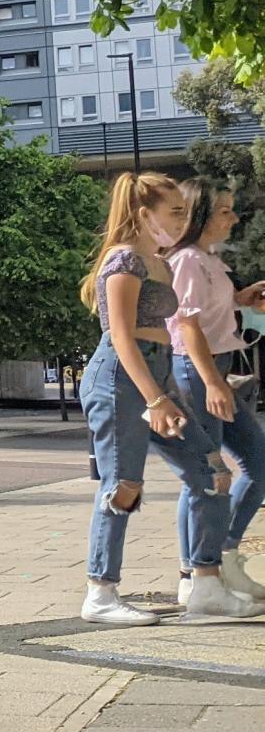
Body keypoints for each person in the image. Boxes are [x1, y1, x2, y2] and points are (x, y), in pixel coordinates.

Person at [75, 172, 258, 624]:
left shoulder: (158, 260)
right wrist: (156, 400)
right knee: (123, 486)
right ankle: (101, 594)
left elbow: (170, 334)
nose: (182, 220)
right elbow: (120, 337)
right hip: (120, 379)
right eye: (174, 212)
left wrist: (167, 394)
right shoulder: (123, 261)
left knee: (211, 469)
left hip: (155, 378)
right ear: (143, 214)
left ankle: (206, 584)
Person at [165, 178, 265, 602]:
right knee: (205, 475)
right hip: (197, 369)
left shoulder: (208, 260)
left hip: (213, 366)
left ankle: (220, 557)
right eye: (226, 210)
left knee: (257, 464)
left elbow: (206, 315)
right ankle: (196, 575)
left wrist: (242, 299)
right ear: (201, 214)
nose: (234, 218)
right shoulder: (187, 259)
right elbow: (187, 324)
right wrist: (211, 382)